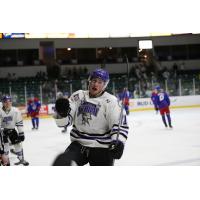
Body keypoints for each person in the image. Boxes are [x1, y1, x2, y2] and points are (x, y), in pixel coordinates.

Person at [53, 68, 129, 166]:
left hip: (102, 147)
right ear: (89, 81)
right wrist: (62, 113)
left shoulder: (111, 101)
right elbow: (66, 121)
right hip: (78, 144)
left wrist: (118, 142)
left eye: (100, 82)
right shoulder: (78, 96)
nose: (95, 84)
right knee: (62, 163)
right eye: (94, 80)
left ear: (105, 85)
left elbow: (119, 124)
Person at [0, 95, 29, 165]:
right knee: (5, 146)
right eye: (6, 102)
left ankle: (21, 158)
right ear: (3, 103)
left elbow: (19, 122)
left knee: (18, 144)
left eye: (9, 101)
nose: (8, 103)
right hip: (2, 132)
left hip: (12, 130)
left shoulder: (15, 111)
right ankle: (6, 160)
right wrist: (2, 129)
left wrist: (21, 133)